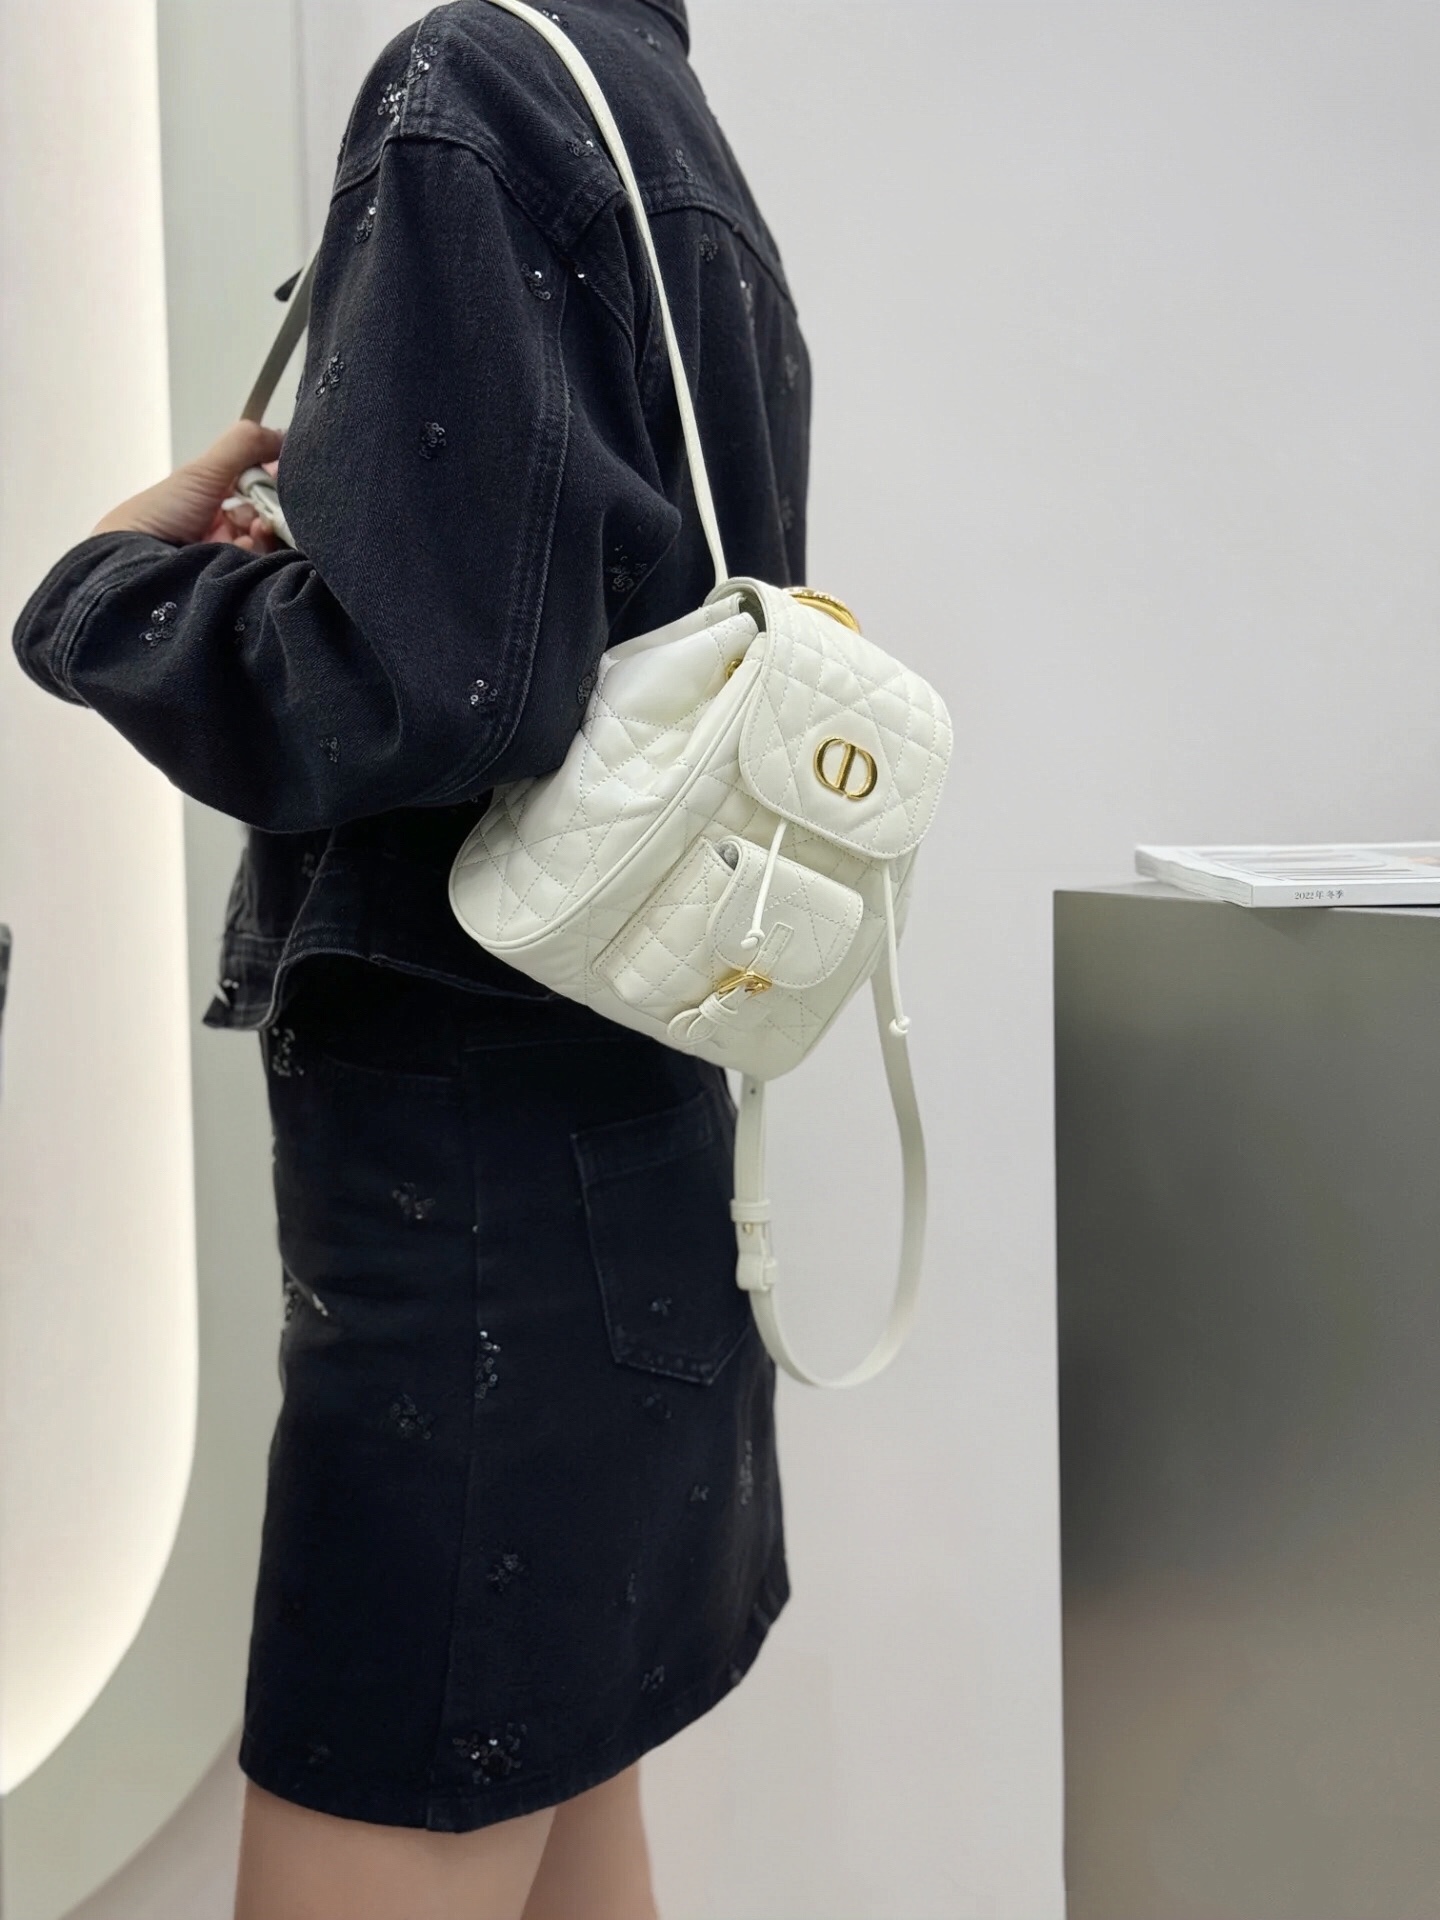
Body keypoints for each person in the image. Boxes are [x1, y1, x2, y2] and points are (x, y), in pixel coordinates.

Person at [12, 0, 810, 1914]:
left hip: (466, 1201)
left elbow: (434, 690)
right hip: (627, 1127)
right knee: (565, 1794)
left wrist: (112, 593)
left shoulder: (472, 85)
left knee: (415, 1771)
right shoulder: (662, 121)